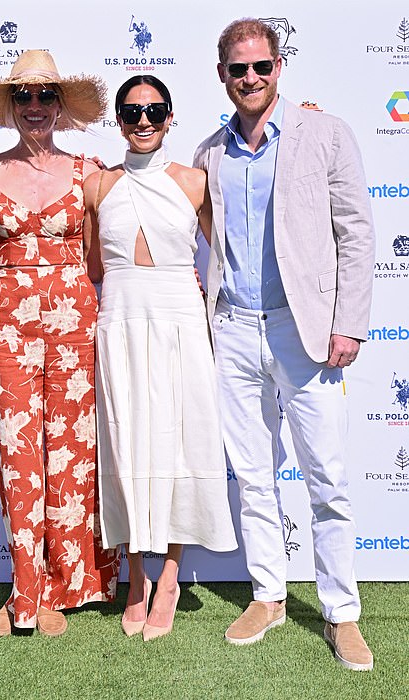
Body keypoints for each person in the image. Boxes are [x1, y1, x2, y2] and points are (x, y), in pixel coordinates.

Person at [193, 18, 375, 670]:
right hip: (235, 330)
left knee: (326, 476)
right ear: (223, 76)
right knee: (253, 475)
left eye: (260, 67)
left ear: (278, 68)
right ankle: (267, 594)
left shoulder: (324, 134)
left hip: (306, 334)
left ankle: (341, 613)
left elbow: (355, 231)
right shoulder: (209, 152)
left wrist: (348, 320)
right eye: (238, 69)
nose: (250, 79)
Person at [0, 50, 120, 637]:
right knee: (17, 456)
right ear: (9, 106)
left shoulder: (90, 171)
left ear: (60, 104)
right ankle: (24, 590)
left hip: (77, 320)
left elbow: (102, 256)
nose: (34, 107)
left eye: (45, 96)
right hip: (7, 325)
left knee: (70, 455)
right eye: (23, 97)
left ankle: (63, 586)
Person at [84, 75, 237, 641]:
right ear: (117, 120)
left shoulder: (196, 182)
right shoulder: (98, 186)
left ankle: (169, 576)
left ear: (170, 117)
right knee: (125, 445)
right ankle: (135, 578)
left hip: (180, 319)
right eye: (131, 111)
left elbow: (227, 251)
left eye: (154, 110)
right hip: (120, 320)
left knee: (175, 442)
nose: (142, 120)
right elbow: (93, 264)